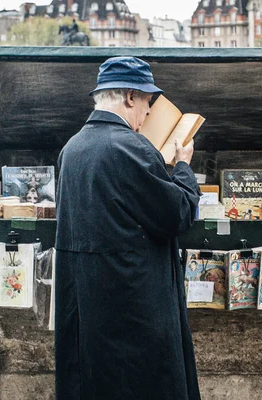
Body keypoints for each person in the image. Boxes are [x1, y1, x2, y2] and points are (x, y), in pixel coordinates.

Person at [55, 56, 201, 399]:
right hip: (132, 308)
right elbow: (176, 214)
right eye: (148, 103)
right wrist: (182, 167)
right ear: (130, 98)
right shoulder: (131, 147)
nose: (149, 113)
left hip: (86, 309)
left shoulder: (71, 148)